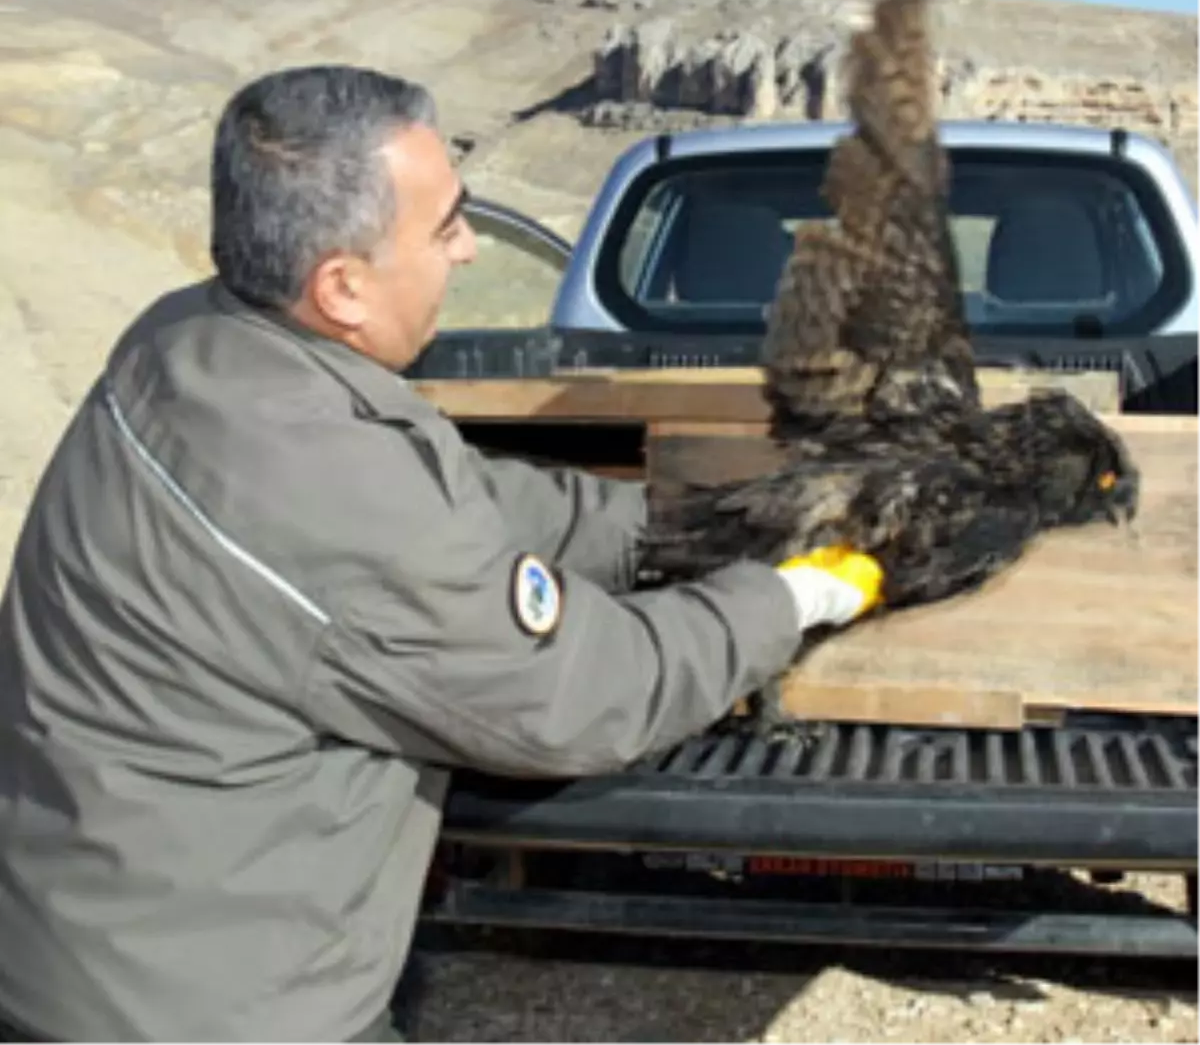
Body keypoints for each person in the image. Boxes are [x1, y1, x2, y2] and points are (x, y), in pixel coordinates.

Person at [0, 64, 883, 1045]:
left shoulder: (194, 338)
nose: (468, 249)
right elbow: (582, 691)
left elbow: (455, 497)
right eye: (446, 225)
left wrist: (665, 528)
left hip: (96, 938)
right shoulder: (319, 482)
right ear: (341, 285)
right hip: (203, 1011)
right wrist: (787, 599)